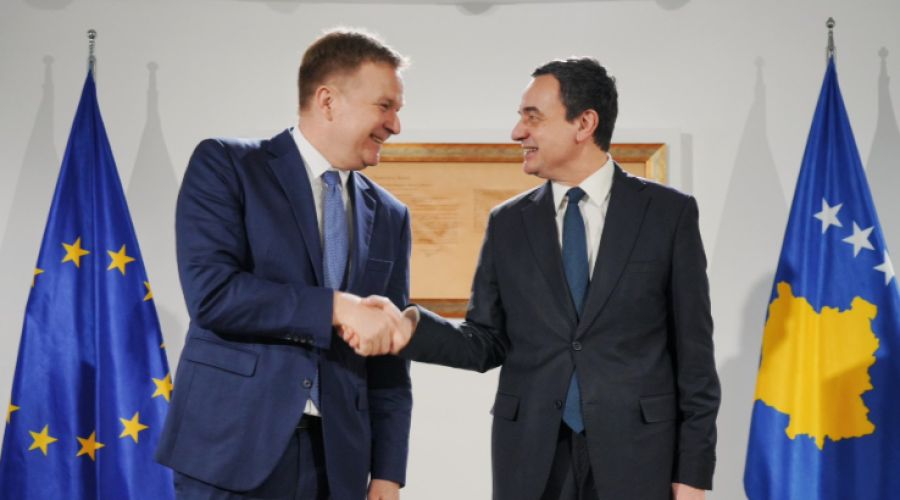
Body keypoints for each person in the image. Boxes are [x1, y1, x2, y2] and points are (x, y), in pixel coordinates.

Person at [352, 57, 720, 500]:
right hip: (532, 459)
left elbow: (695, 360)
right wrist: (409, 327)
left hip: (639, 459)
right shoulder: (508, 223)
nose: (517, 132)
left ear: (584, 123)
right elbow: (485, 341)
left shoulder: (668, 215)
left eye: (533, 117)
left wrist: (693, 476)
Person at [155, 29, 412, 500]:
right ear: (327, 101)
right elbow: (213, 295)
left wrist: (388, 472)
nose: (395, 124)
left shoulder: (392, 215)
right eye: (385, 106)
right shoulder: (227, 165)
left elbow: (389, 356)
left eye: (398, 109)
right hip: (229, 452)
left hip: (337, 464)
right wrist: (336, 306)